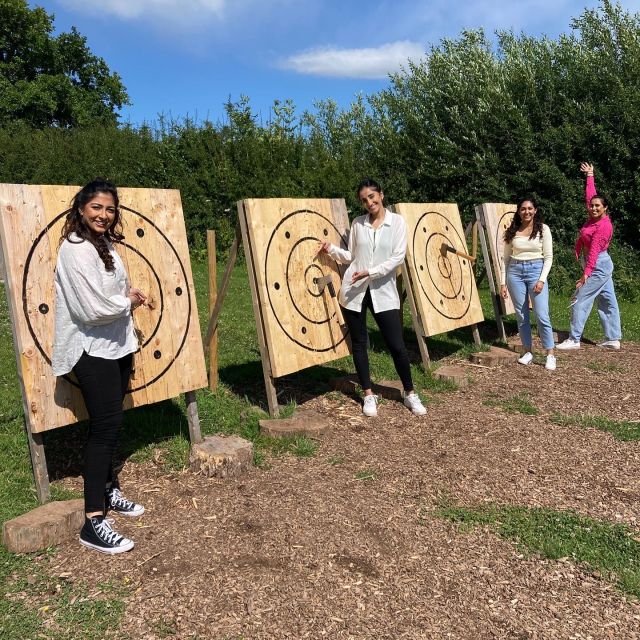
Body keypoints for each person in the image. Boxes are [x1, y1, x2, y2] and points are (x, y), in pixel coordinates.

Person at [52, 179, 147, 554]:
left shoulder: (103, 244)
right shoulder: (74, 250)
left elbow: (110, 293)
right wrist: (125, 303)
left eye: (109, 209)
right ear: (80, 209)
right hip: (92, 348)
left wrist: (127, 297)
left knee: (112, 422)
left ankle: (108, 490)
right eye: (96, 208)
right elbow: (90, 309)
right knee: (105, 428)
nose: (103, 215)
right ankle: (93, 521)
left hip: (116, 344)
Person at [317, 178, 426, 417]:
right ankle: (368, 394)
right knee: (359, 344)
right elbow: (351, 256)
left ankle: (410, 393)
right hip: (355, 291)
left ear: (381, 195)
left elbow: (398, 257)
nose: (369, 202)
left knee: (397, 346)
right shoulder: (358, 224)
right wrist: (331, 249)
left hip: (383, 293)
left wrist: (371, 272)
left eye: (372, 196)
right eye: (364, 199)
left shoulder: (397, 223)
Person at [556, 163, 622, 350]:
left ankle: (574, 339)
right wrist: (590, 175)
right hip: (600, 264)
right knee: (607, 299)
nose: (593, 208)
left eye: (597, 206)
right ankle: (613, 338)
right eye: (592, 206)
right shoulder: (593, 217)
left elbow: (593, 253)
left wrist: (585, 275)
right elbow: (590, 196)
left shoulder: (603, 227)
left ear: (605, 208)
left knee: (580, 297)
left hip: (598, 265)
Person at [499, 198, 556, 371]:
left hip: (536, 270)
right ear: (518, 211)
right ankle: (528, 351)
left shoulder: (543, 229)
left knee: (541, 314)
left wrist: (541, 279)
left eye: (530, 208)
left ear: (535, 210)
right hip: (515, 273)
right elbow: (506, 259)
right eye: (523, 209)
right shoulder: (512, 231)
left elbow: (548, 258)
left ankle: (550, 354)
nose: (527, 212)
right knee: (522, 315)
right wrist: (503, 282)